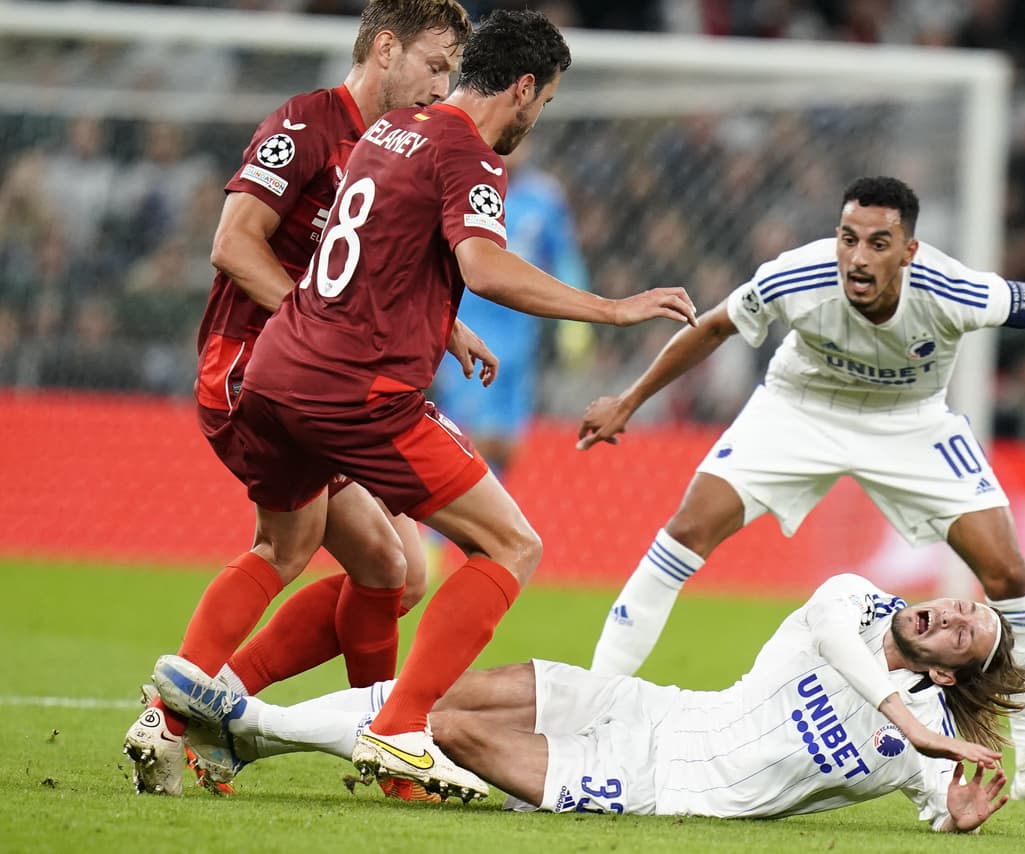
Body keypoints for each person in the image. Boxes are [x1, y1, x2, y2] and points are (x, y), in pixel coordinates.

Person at [141, 8, 698, 804]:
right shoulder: (467, 152)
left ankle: (185, 708)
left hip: (279, 369)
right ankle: (399, 728)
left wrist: (442, 326)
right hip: (356, 391)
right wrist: (613, 308)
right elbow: (485, 266)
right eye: (544, 103)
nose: (538, 120)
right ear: (524, 88)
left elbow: (375, 255)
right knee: (510, 545)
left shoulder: (387, 131)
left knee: (360, 563)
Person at [577, 175, 1025, 808]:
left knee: (1007, 571)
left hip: (911, 422)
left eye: (878, 243)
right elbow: (713, 327)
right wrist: (629, 400)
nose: (858, 257)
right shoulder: (795, 276)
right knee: (686, 531)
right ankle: (592, 711)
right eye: (848, 238)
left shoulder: (952, 290)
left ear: (909, 251)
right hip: (801, 407)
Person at [123, 0, 475, 797]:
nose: (442, 85)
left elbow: (358, 272)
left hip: (312, 377)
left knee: (391, 569)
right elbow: (232, 243)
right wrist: (314, 329)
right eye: (435, 65)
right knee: (292, 545)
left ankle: (223, 712)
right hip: (254, 367)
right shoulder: (308, 124)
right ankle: (184, 716)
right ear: (385, 49)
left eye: (453, 71)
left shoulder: (391, 150)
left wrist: (441, 326)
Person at [152, 574, 1025, 831]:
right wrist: (908, 720)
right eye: (960, 604)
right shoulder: (852, 602)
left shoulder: (924, 744)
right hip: (654, 706)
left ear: (949, 676)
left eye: (966, 633)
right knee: (441, 694)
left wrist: (955, 820)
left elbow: (940, 806)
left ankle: (244, 728)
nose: (952, 614)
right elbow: (839, 640)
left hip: (658, 784)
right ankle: (249, 733)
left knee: (448, 728)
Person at [431, 141, 591, 475]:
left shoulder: (544, 198)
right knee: (467, 433)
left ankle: (488, 501)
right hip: (468, 326)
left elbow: (565, 259)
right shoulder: (461, 187)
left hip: (520, 333)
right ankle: (454, 506)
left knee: (509, 441)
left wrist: (575, 326)